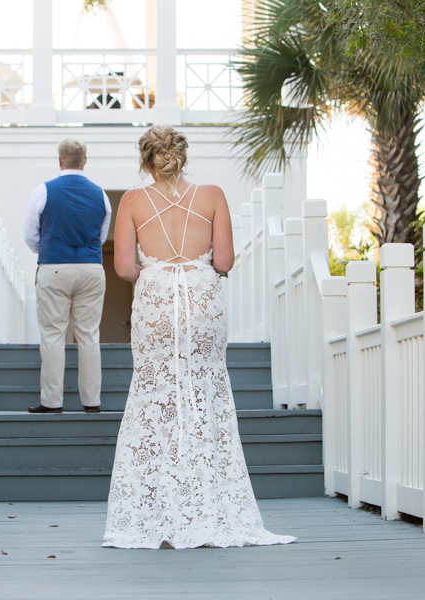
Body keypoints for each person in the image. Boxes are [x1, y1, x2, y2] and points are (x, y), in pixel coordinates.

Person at [102, 126, 296, 548]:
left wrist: (155, 274)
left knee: (155, 398)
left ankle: (155, 510)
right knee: (205, 392)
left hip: (156, 302)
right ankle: (206, 503)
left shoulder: (132, 201)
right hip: (203, 300)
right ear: (182, 157)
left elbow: (122, 269)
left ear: (146, 160)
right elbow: (223, 260)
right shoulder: (212, 195)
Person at [23, 138, 111, 414]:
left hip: (54, 267)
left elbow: (30, 235)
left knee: (52, 334)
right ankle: (91, 402)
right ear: (85, 161)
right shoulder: (101, 195)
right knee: (88, 335)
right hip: (91, 268)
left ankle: (52, 402)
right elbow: (102, 236)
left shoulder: (43, 191)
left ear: (59, 160)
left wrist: (49, 251)